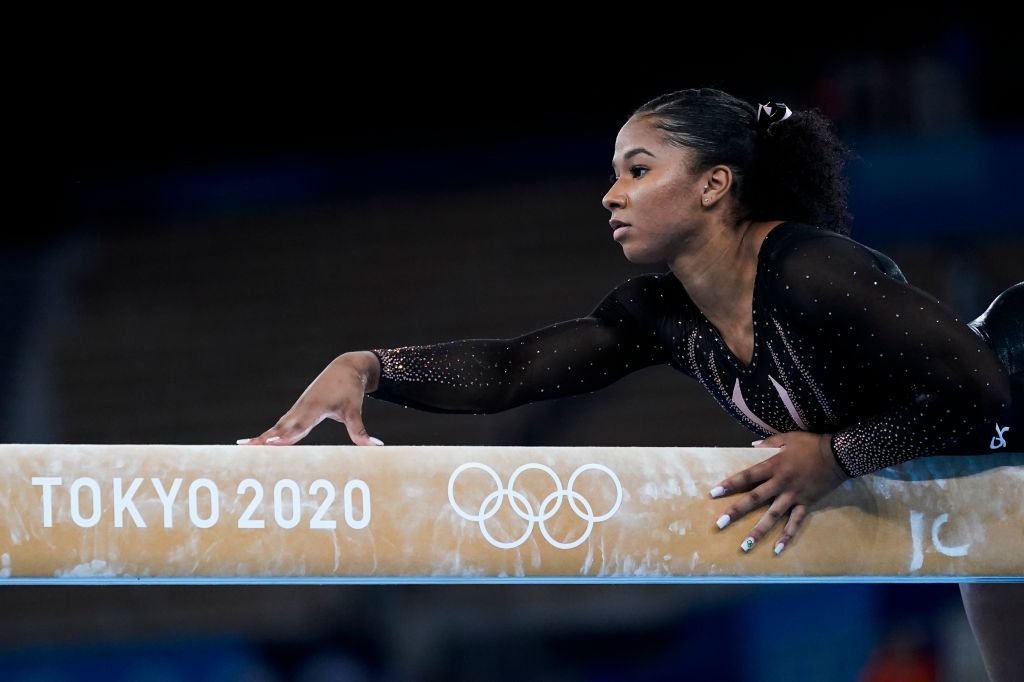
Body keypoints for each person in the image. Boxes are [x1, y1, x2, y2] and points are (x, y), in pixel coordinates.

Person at [237, 88, 1022, 680]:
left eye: (638, 170)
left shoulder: (814, 270)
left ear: (715, 185)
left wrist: (838, 457)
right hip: (972, 470)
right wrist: (373, 367)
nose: (612, 194)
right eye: (614, 174)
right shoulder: (664, 313)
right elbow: (515, 368)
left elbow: (980, 385)